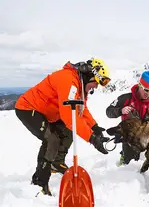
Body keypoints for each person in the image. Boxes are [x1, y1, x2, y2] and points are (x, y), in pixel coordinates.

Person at [15, 58, 111, 195]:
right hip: (28, 108)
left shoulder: (79, 85)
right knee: (51, 140)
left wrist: (94, 127)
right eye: (96, 82)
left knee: (68, 131)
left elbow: (81, 109)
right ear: (89, 75)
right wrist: (92, 139)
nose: (96, 87)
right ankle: (39, 182)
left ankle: (56, 162)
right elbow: (69, 118)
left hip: (49, 112)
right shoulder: (69, 80)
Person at [106, 71, 149, 165]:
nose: (148, 93)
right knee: (128, 166)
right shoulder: (125, 99)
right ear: (140, 85)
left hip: (144, 139)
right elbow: (108, 111)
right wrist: (121, 110)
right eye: (146, 89)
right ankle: (123, 161)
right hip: (128, 139)